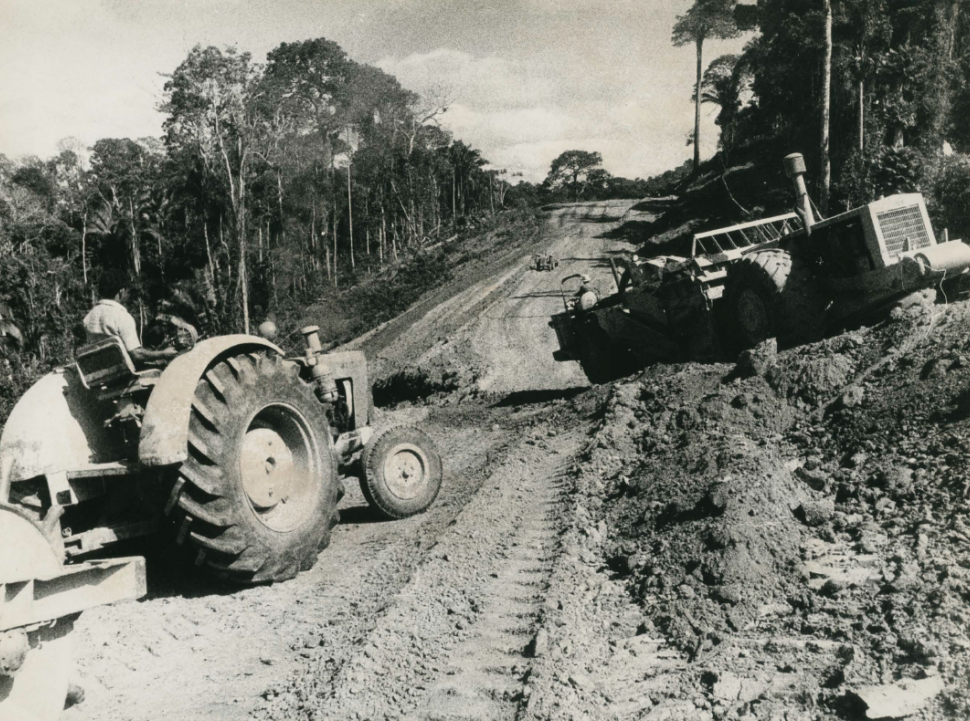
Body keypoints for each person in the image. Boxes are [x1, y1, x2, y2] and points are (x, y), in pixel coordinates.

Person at [83, 271, 177, 365]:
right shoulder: (122, 316)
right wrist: (163, 353)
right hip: (124, 370)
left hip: (99, 370)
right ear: (121, 292)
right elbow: (137, 355)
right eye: (128, 291)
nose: (128, 295)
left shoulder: (88, 317)